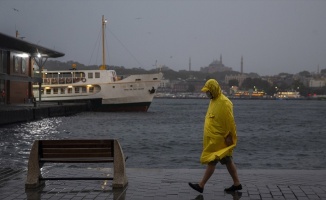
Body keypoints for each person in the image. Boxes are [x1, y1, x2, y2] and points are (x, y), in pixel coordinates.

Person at [188, 79, 242, 193]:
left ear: (213, 90)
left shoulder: (224, 102)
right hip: (214, 139)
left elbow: (230, 121)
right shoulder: (213, 100)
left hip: (220, 140)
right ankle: (237, 183)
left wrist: (229, 136)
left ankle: (201, 185)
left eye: (208, 91)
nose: (207, 93)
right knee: (227, 161)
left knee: (212, 161)